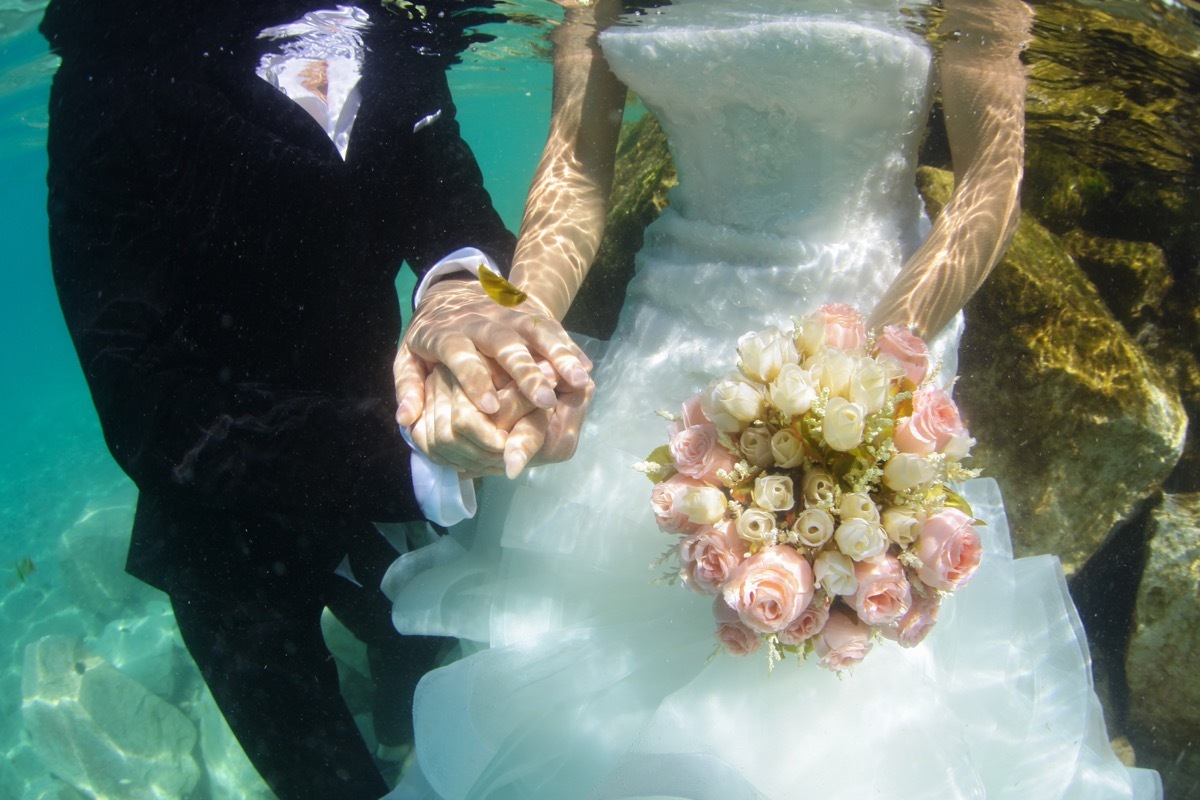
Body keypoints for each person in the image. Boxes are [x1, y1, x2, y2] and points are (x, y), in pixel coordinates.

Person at [384, 0, 1166, 797]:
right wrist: (519, 338)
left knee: (841, 676)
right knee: (613, 629)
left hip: (872, 317)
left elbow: (989, 180)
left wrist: (865, 376)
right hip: (669, 329)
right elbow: (577, 173)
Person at [39, 0, 592, 797]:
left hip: (394, 457)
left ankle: (402, 722)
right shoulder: (113, 77)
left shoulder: (399, 39)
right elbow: (147, 410)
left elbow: (451, 209)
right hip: (225, 531)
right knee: (321, 779)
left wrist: (466, 293)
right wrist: (416, 455)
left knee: (423, 668)